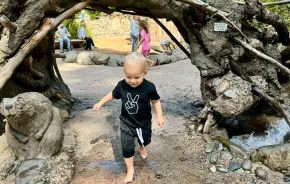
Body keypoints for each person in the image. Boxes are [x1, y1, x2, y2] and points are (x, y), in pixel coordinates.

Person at [93, 52, 165, 183]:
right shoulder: (122, 85)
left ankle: (141, 146)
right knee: (126, 147)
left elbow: (156, 101)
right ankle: (130, 169)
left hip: (144, 123)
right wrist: (100, 103)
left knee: (145, 140)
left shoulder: (149, 87)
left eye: (137, 77)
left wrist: (159, 116)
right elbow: (113, 94)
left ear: (145, 72)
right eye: (128, 76)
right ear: (124, 72)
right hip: (126, 123)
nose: (132, 80)